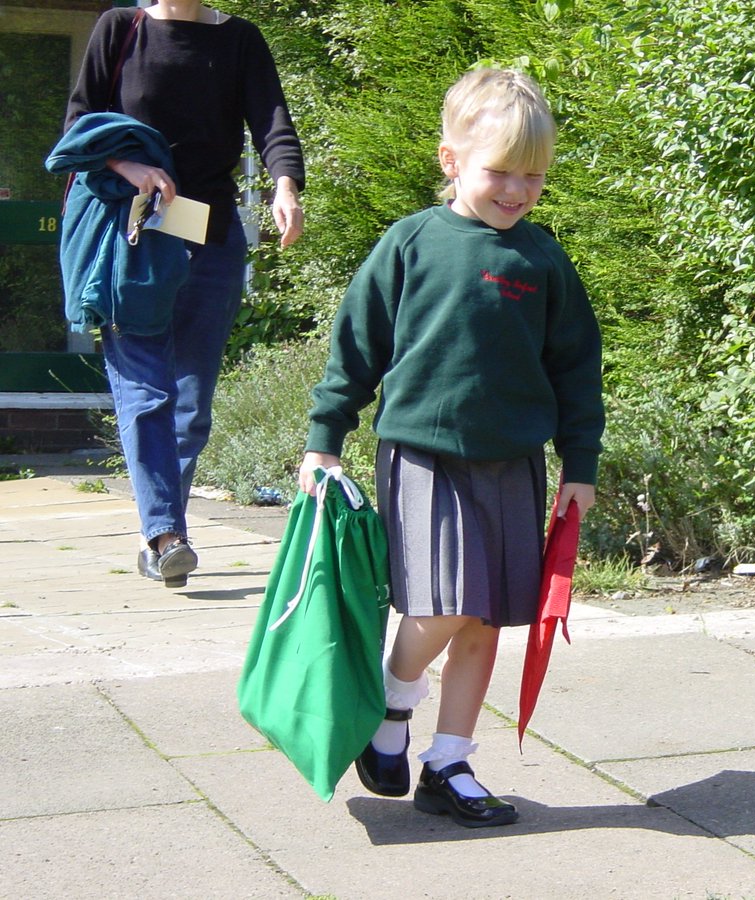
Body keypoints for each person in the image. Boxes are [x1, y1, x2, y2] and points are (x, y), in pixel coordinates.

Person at [299, 68, 604, 827]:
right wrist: (325, 438)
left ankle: (449, 762)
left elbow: (576, 369)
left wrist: (581, 463)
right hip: (424, 454)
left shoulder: (542, 260)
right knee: (442, 606)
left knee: (484, 620)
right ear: (451, 160)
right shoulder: (411, 243)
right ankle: (392, 700)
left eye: (533, 176)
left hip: (514, 462)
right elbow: (356, 347)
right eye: (500, 171)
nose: (517, 190)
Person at [63, 0, 304, 588]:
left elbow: (272, 121)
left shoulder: (240, 39)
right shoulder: (120, 29)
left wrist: (285, 186)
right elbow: (78, 124)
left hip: (209, 237)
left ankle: (162, 533)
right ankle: (167, 535)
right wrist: (127, 167)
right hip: (134, 235)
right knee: (147, 391)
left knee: (191, 405)